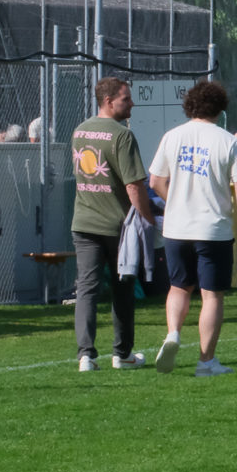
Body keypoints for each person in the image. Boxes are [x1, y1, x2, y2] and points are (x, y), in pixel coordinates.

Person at [148, 79, 237, 377]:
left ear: (190, 106)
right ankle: (206, 361)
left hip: (176, 228)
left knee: (178, 287)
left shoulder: (172, 136)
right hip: (213, 230)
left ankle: (173, 332)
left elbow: (155, 181)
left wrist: (176, 202)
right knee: (212, 295)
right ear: (220, 108)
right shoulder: (228, 141)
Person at [69, 75, 156, 371]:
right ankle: (122, 354)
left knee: (87, 289)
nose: (132, 104)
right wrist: (148, 221)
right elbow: (134, 186)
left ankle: (86, 356)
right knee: (123, 289)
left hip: (83, 222)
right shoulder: (122, 135)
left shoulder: (80, 131)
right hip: (118, 227)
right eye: (126, 99)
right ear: (108, 101)